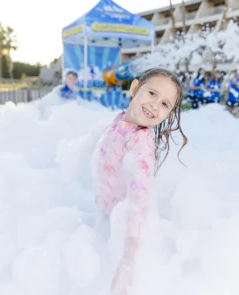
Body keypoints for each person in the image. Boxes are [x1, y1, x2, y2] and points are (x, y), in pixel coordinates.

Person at [91, 68, 187, 295]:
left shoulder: (141, 141)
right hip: (104, 216)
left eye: (165, 104)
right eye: (152, 93)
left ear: (169, 114)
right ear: (134, 89)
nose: (155, 105)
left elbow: (140, 196)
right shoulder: (118, 121)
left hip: (120, 227)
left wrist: (129, 255)